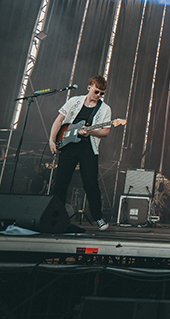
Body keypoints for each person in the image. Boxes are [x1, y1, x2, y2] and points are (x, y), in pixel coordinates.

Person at [48, 75, 111, 231]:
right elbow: (59, 120)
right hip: (68, 146)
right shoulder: (74, 101)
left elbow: (105, 132)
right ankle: (56, 217)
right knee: (61, 182)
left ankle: (98, 217)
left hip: (88, 148)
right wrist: (51, 140)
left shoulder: (105, 109)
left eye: (102, 93)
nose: (99, 95)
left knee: (90, 183)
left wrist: (90, 132)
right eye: (96, 91)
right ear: (89, 87)